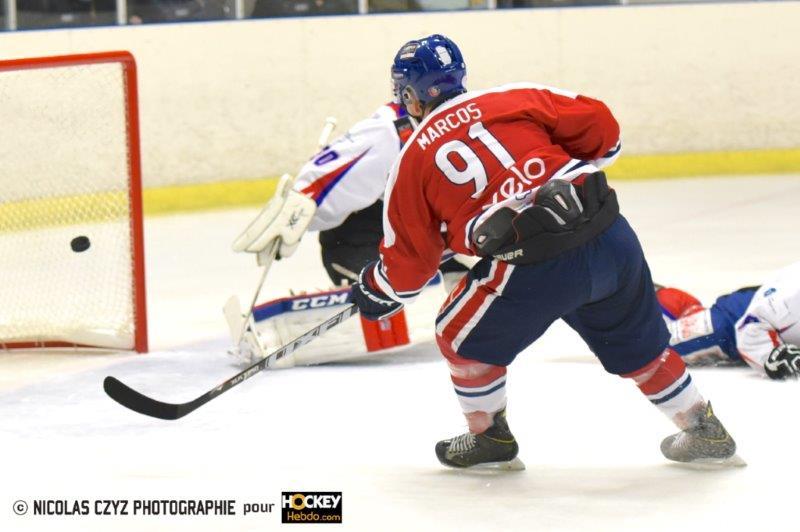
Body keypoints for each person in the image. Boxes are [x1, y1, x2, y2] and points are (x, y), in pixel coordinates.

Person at [350, 34, 740, 469]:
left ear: (408, 95)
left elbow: (409, 270)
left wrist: (375, 288)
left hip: (535, 264)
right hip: (610, 233)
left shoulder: (411, 159)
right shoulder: (512, 97)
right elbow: (604, 130)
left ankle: (489, 438)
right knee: (639, 345)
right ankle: (704, 430)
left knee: (457, 335)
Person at [657, 261, 800, 380]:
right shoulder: (792, 296)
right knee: (655, 351)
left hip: (757, 309)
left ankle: (686, 309)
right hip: (730, 324)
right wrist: (775, 356)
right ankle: (658, 299)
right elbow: (750, 325)